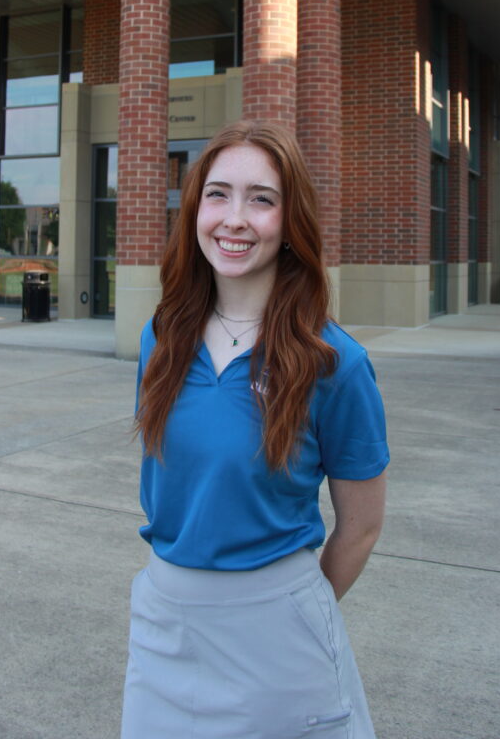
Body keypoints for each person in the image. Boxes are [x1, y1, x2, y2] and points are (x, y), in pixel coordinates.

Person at [121, 120, 389, 739]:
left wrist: (288, 612)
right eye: (217, 194)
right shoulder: (161, 338)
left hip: (275, 633)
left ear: (290, 223)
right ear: (195, 210)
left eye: (261, 199)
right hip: (164, 620)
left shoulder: (335, 362)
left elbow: (363, 526)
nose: (234, 218)